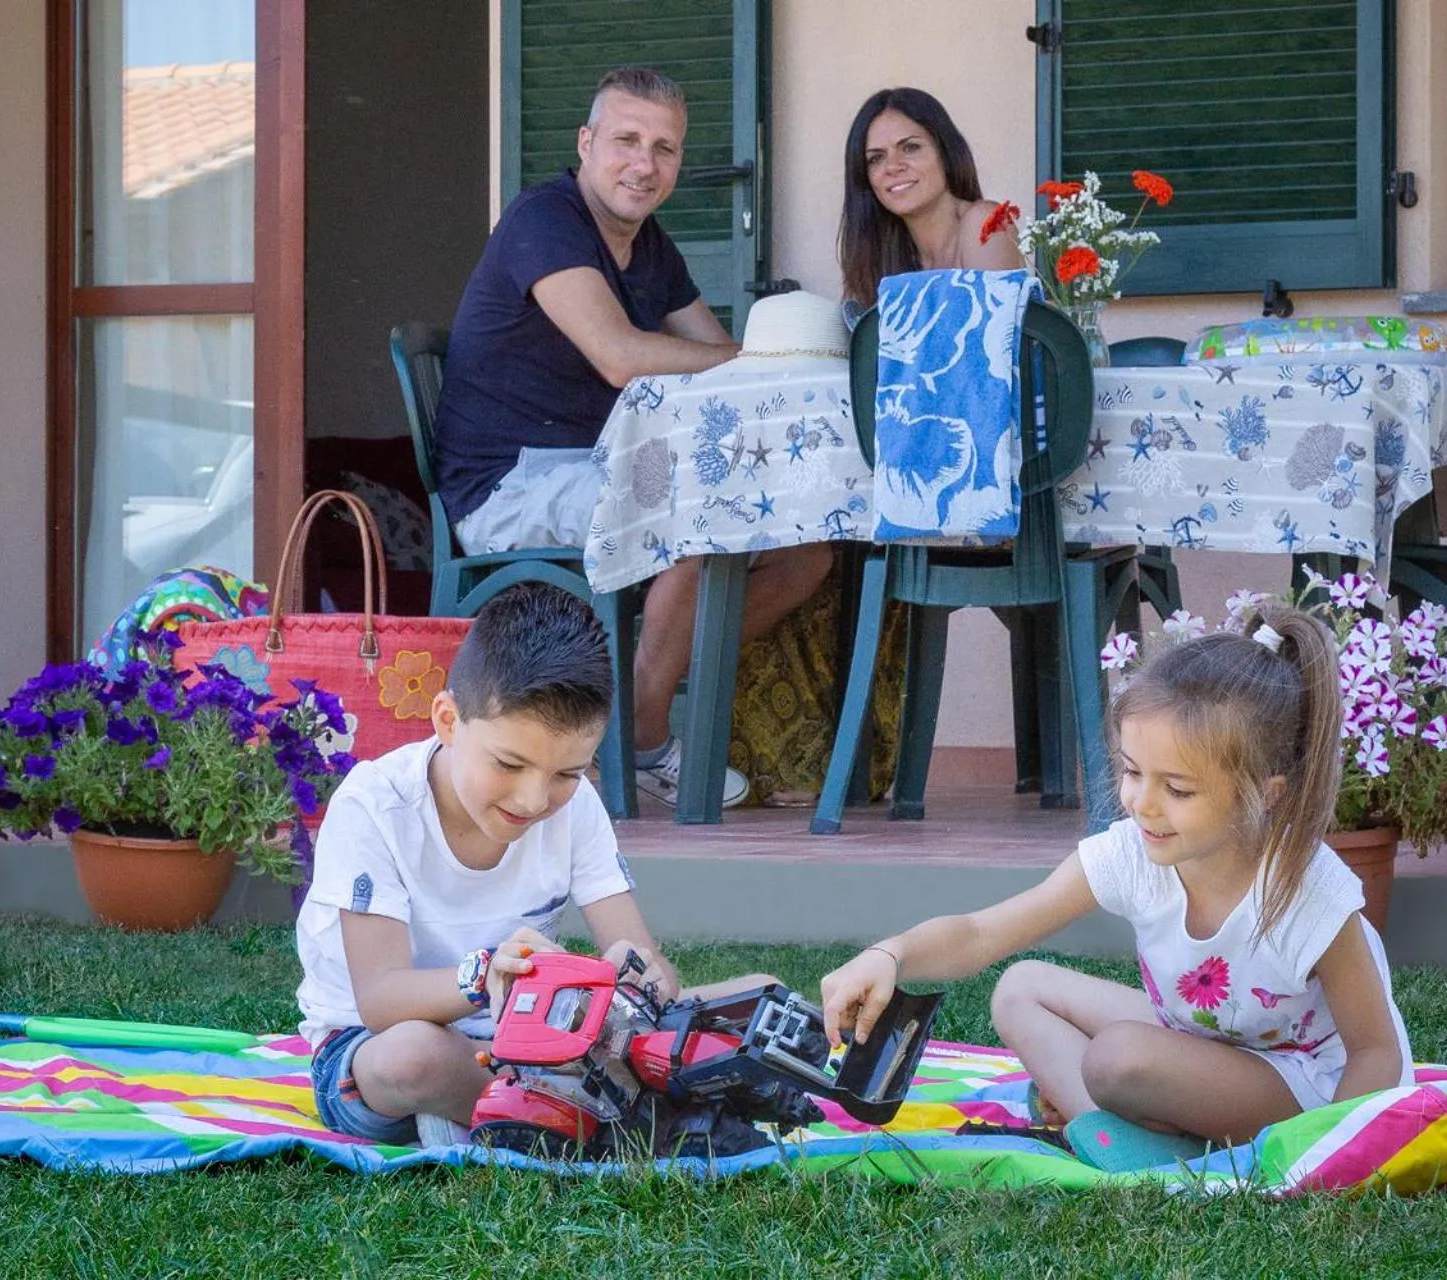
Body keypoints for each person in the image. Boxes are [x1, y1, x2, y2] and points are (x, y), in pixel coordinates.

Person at [819, 604, 1411, 1152]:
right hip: (1208, 1045)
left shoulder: (1306, 889)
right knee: (1021, 987)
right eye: (1132, 772)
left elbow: (1376, 1052)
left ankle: (1138, 1134)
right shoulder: (1133, 853)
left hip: (1304, 1085)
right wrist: (890, 955)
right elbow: (980, 934)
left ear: (1265, 794)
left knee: (1117, 1059)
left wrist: (1321, 1154)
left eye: (1177, 789)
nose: (1142, 803)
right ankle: (1128, 1134)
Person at [432, 65, 832, 808]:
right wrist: (756, 361)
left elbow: (716, 358)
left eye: (664, 148)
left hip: (599, 470)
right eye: (626, 141)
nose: (644, 164)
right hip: (510, 484)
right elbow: (619, 355)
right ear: (586, 144)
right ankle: (643, 738)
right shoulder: (544, 221)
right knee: (691, 516)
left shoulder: (649, 246)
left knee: (805, 549)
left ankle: (630, 701)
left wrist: (792, 364)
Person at [295, 581, 770, 1148]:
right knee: (414, 1057)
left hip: (537, 1039)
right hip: (373, 1051)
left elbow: (648, 965)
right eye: (508, 763)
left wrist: (636, 979)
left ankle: (540, 1109)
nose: (533, 799)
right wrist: (485, 975)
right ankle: (618, 1124)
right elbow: (380, 1000)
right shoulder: (374, 805)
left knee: (760, 998)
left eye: (567, 773)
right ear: (448, 720)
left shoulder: (577, 808)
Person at [838, 87, 1025, 308]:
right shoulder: (880, 256)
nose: (892, 166)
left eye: (910, 147)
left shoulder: (984, 223)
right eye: (876, 158)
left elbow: (989, 328)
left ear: (946, 152)